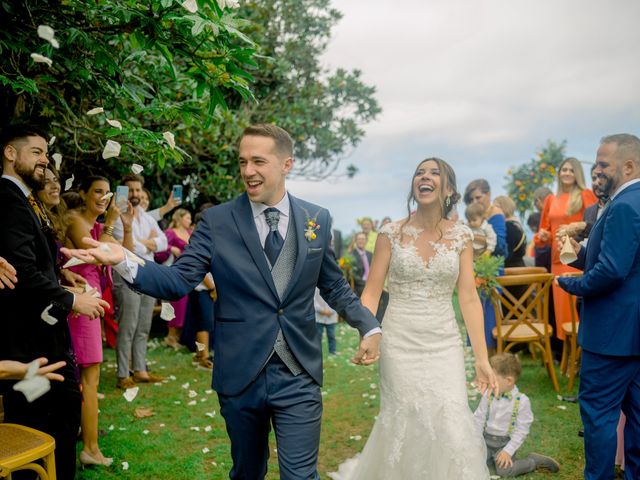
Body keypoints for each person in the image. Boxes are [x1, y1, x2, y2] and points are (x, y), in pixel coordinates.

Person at [62, 123, 382, 480]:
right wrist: (123, 258)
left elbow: (334, 287)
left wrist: (368, 325)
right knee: (247, 473)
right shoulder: (217, 221)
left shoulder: (316, 219)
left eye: (258, 161)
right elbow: (177, 280)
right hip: (240, 374)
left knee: (301, 476)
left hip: (298, 373)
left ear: (286, 164)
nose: (248, 171)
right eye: (242, 161)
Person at [329, 157, 497, 479]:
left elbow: (468, 297)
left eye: (434, 173)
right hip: (399, 339)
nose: (425, 177)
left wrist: (481, 358)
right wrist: (368, 332)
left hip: (443, 341)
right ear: (414, 185)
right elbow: (372, 291)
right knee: (404, 417)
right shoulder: (390, 234)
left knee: (449, 416)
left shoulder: (462, 237)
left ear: (448, 188)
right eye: (420, 172)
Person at [0, 124, 109, 480]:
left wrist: (64, 277)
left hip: (39, 338)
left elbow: (33, 262)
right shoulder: (7, 199)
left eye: (46, 154)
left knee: (57, 422)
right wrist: (72, 301)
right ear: (10, 153)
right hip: (29, 345)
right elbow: (22, 273)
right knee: (47, 424)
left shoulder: (25, 201)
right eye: (36, 152)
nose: (44, 161)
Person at [557, 134, 640, 480]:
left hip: (611, 336)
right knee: (637, 418)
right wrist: (579, 256)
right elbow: (624, 261)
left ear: (630, 165)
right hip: (633, 333)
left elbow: (612, 271)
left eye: (604, 163)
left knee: (599, 416)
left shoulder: (623, 205)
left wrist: (568, 283)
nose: (597, 170)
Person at [65, 175, 126, 468]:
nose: (103, 197)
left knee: (88, 377)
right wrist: (112, 220)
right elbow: (99, 254)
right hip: (80, 300)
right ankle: (90, 448)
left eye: (107, 193)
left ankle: (86, 438)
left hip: (94, 300)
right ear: (83, 194)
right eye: (97, 192)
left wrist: (115, 222)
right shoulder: (76, 219)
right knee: (89, 377)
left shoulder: (100, 225)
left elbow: (119, 252)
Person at [111, 173, 168, 389]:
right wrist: (148, 243)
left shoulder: (146, 216)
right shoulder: (117, 216)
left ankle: (141, 370)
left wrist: (144, 243)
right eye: (131, 190)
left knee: (144, 325)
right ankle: (123, 374)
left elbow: (163, 242)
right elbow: (129, 248)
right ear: (123, 192)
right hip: (127, 274)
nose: (135, 194)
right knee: (128, 325)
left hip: (149, 274)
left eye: (138, 190)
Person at [534, 158, 597, 344]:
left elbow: (595, 225)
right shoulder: (550, 199)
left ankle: (582, 352)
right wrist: (543, 236)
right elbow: (542, 231)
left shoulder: (585, 194)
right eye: (563, 170)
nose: (567, 173)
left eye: (571, 170)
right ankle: (566, 355)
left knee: (577, 308)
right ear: (559, 174)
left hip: (577, 257)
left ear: (577, 173)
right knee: (562, 310)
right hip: (556, 259)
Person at [473, 353, 560, 476]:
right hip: (485, 439)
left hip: (504, 444)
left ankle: (533, 461)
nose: (488, 382)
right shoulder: (489, 394)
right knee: (472, 462)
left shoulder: (522, 401)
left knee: (504, 471)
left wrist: (508, 451)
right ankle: (489, 459)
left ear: (508, 381)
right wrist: (476, 442)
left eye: (492, 378)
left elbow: (521, 430)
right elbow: (479, 418)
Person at [464, 178, 508, 350]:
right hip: (476, 270)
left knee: (489, 317)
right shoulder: (474, 216)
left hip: (491, 270)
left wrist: (482, 245)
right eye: (471, 200)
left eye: (478, 197)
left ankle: (491, 356)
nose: (475, 202)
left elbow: (502, 247)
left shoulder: (496, 215)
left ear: (488, 194)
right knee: (475, 312)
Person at [157, 208, 193, 348]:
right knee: (175, 303)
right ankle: (170, 336)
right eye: (187, 218)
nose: (190, 221)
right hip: (173, 271)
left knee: (184, 304)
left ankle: (177, 336)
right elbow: (161, 247)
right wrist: (171, 248)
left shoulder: (190, 233)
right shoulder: (170, 232)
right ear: (179, 218)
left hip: (188, 273)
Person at [493, 196, 526, 268]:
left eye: (495, 207)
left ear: (503, 208)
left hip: (511, 272)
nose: (492, 210)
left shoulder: (508, 227)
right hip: (518, 268)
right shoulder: (516, 224)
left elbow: (506, 255)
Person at [314, 288, 337, 355]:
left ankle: (332, 352)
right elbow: (314, 301)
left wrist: (331, 311)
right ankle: (317, 352)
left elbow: (337, 301)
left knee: (331, 335)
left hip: (331, 317)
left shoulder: (334, 288)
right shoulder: (315, 289)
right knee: (318, 335)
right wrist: (321, 310)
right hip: (319, 317)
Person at [351, 232, 372, 297]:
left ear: (366, 241)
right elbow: (354, 275)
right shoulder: (351, 256)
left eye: (363, 239)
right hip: (359, 286)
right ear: (355, 241)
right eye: (359, 239)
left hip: (372, 284)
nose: (361, 241)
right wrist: (367, 284)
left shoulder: (370, 254)